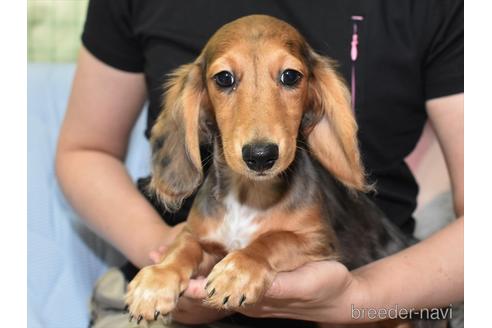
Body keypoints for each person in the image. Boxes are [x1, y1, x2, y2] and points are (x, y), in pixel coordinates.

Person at [55, 0, 463, 327]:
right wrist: (166, 261)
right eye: (225, 80)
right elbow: (85, 150)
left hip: (387, 298)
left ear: (317, 102)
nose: (259, 129)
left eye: (288, 78)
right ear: (198, 104)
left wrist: (360, 300)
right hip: (178, 304)